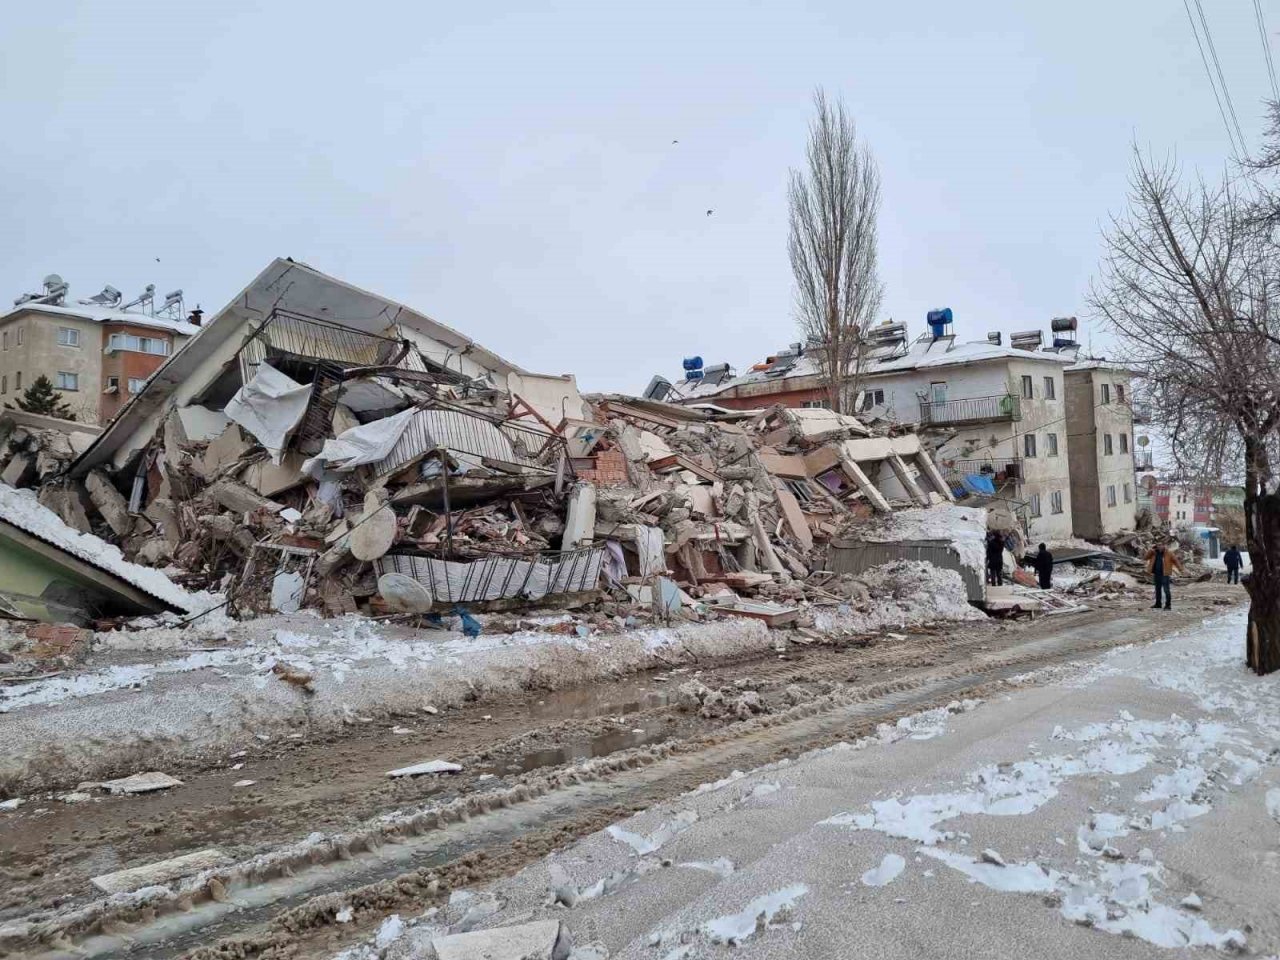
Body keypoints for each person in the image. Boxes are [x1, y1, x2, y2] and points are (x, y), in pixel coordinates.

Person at [1145, 539, 1184, 610]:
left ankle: (1168, 605)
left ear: (1164, 545)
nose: (1158, 546)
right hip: (1157, 573)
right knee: (1157, 589)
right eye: (1157, 545)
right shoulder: (1154, 552)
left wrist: (1181, 569)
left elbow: (1175, 560)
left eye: (1160, 545)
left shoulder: (1169, 553)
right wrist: (1150, 550)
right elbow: (1145, 558)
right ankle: (1158, 604)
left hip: (1165, 574)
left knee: (1166, 590)